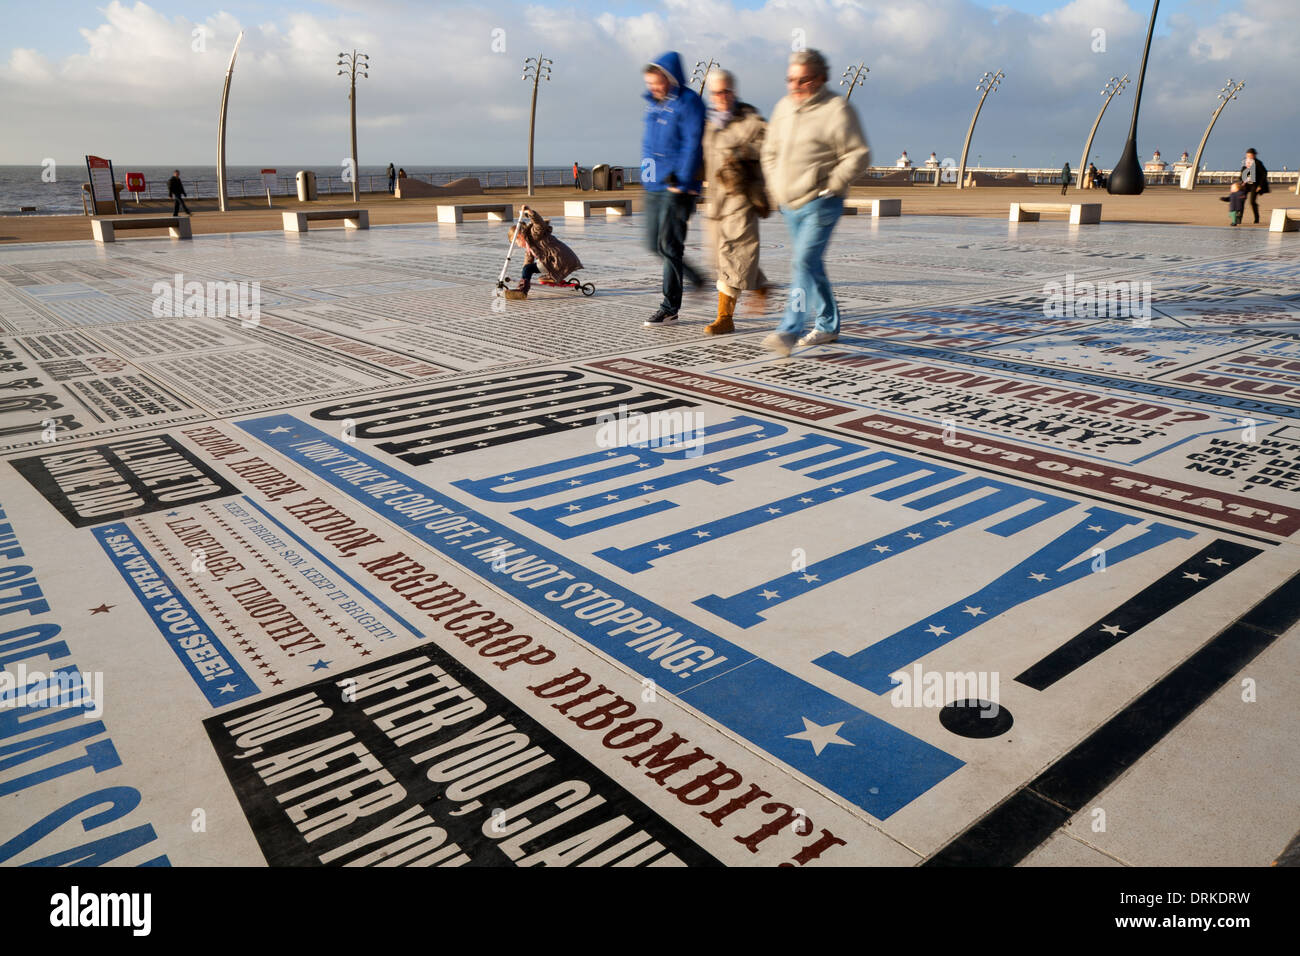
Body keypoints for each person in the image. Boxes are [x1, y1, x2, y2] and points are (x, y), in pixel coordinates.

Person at [760, 48, 870, 355]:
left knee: (802, 262)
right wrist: (775, 185)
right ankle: (827, 325)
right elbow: (769, 151)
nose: (795, 86)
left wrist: (832, 184)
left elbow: (859, 154)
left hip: (821, 202)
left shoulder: (837, 109)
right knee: (811, 264)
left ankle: (788, 330)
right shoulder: (783, 107)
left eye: (803, 80)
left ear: (821, 79)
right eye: (790, 79)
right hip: (789, 203)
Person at [700, 69, 770, 335]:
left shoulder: (751, 119)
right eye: (717, 92)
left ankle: (725, 319)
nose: (722, 97)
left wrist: (744, 152)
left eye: (726, 91)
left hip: (742, 198)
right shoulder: (709, 124)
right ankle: (759, 285)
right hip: (716, 201)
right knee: (720, 258)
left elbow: (771, 144)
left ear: (734, 92)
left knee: (732, 254)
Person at [640, 51, 707, 327]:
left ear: (669, 78)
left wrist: (683, 180)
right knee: (652, 243)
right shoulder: (654, 106)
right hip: (654, 185)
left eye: (657, 82)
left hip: (678, 186)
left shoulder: (689, 102)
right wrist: (646, 176)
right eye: (649, 84)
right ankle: (696, 277)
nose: (653, 88)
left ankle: (669, 307)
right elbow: (648, 144)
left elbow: (693, 142)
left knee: (669, 245)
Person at [503, 205, 584, 299]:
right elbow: (527, 262)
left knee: (528, 269)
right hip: (555, 260)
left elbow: (539, 224)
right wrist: (524, 276)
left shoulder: (533, 234)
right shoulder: (529, 247)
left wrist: (530, 212)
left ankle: (523, 291)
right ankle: (549, 279)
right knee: (528, 269)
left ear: (520, 236)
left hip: (559, 259)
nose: (516, 244)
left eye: (515, 241)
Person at [1240, 148, 1270, 224]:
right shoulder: (1245, 162)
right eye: (1247, 155)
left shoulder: (1258, 163)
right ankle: (1239, 218)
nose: (1248, 157)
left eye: (1250, 155)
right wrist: (1242, 181)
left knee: (1252, 202)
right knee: (1241, 201)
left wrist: (1260, 185)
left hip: (1255, 185)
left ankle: (1256, 218)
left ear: (1254, 155)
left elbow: (1264, 174)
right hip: (1246, 184)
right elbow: (1242, 172)